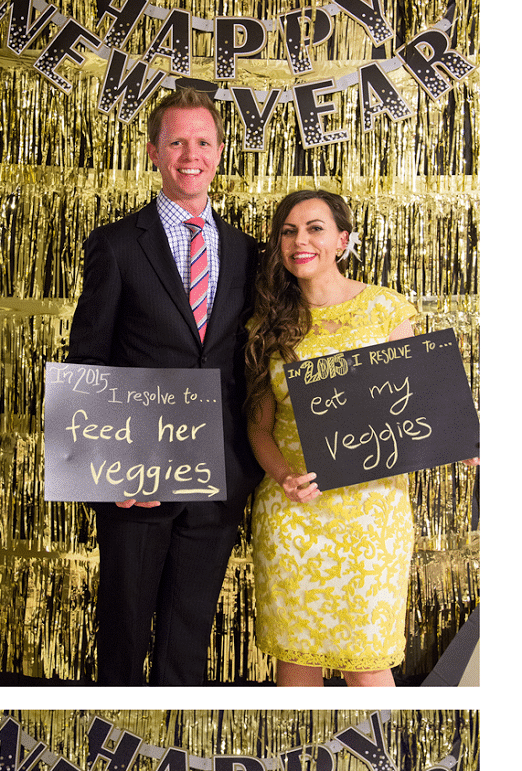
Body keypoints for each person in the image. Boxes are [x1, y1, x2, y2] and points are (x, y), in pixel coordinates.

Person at [67, 86, 261, 685]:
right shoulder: (119, 245)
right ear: (154, 151)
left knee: (189, 631)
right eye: (176, 141)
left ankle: (174, 726)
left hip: (220, 471)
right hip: (138, 473)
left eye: (202, 141)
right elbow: (89, 356)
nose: (189, 154)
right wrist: (109, 470)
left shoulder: (249, 252)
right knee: (123, 627)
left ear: (220, 151)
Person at [245, 189, 417, 686]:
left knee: (367, 666)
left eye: (315, 228)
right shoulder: (266, 326)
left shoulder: (387, 310)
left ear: (342, 239)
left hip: (371, 516)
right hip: (294, 514)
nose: (301, 240)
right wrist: (284, 476)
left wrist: (462, 441)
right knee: (295, 665)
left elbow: (421, 403)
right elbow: (259, 427)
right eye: (289, 231)